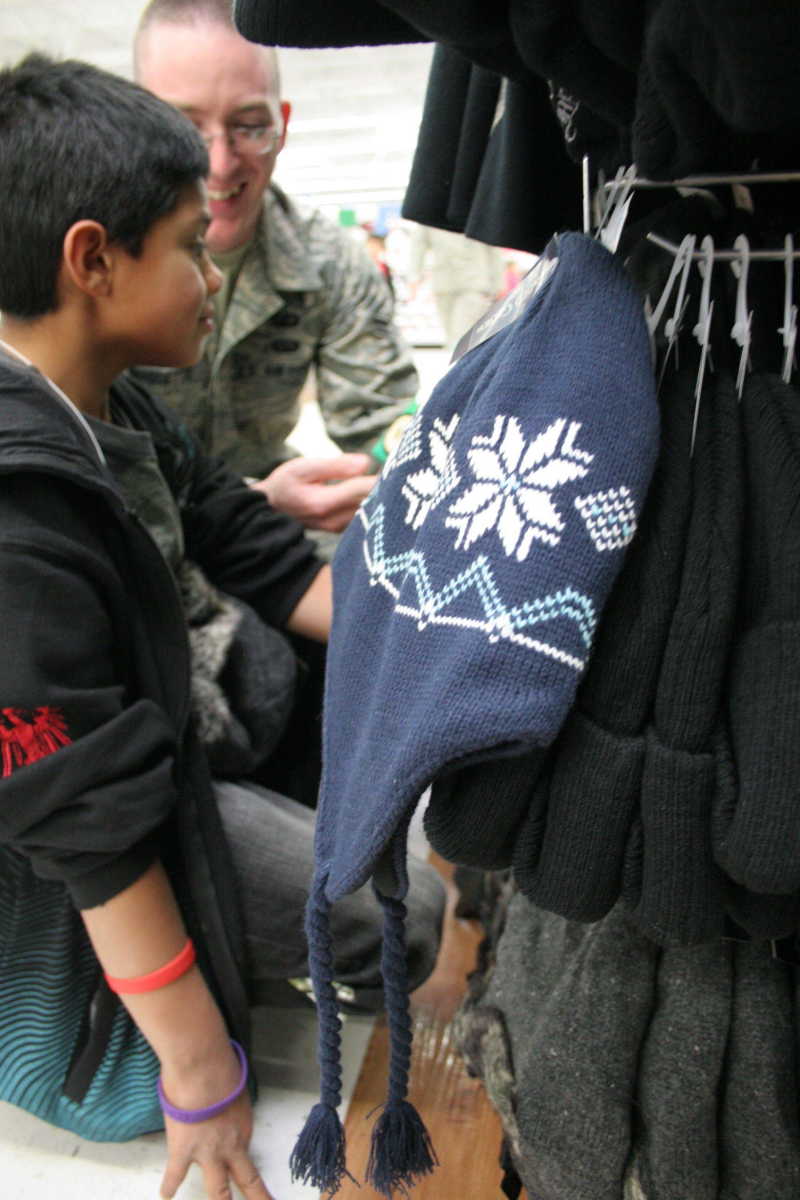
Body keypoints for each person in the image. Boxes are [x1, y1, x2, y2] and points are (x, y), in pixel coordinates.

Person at [0, 52, 444, 1200]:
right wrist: (199, 1070)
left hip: (157, 725)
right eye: (190, 246)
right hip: (75, 829)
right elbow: (85, 821)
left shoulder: (107, 395)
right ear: (93, 260)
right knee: (408, 920)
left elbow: (239, 532)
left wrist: (430, 642)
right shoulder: (19, 525)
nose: (210, 274)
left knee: (327, 704)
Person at [132, 0, 421, 540]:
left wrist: (385, 468)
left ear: (282, 125)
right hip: (126, 529)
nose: (220, 164)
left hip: (271, 530)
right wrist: (250, 501)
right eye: (185, 128)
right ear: (137, 124)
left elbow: (384, 428)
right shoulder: (91, 260)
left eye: (249, 126)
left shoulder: (329, 262)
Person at [406, 223, 505, 353]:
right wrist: (414, 276)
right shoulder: (432, 215)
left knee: (462, 335)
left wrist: (499, 284)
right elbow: (419, 243)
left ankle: (461, 364)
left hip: (474, 282)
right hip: (444, 283)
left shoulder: (479, 212)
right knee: (451, 336)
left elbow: (493, 247)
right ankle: (458, 362)